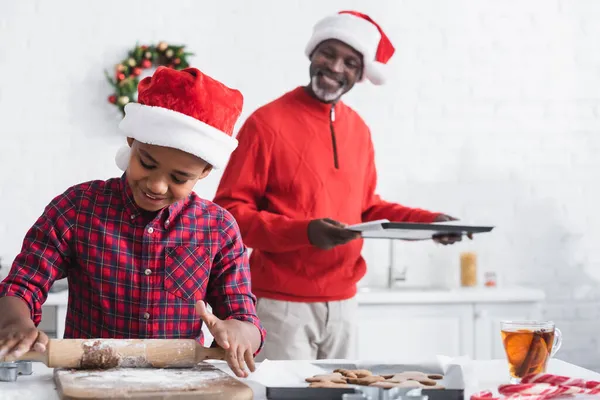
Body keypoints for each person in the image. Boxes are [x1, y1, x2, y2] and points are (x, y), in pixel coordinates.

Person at [213, 10, 466, 361]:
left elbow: (367, 209)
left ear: (361, 74)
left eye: (350, 61)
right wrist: (305, 232)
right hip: (281, 307)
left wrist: (429, 224)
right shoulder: (265, 123)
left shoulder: (358, 130)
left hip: (345, 305)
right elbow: (230, 217)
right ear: (312, 54)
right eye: (328, 53)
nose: (335, 67)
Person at [0, 66, 264, 377]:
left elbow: (245, 320)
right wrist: (14, 322)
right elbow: (21, 286)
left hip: (181, 386)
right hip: (87, 381)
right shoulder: (77, 208)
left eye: (180, 178)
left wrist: (240, 332)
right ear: (131, 140)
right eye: (147, 163)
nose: (157, 186)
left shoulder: (218, 228)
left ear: (205, 171)